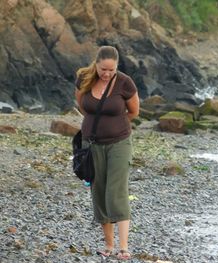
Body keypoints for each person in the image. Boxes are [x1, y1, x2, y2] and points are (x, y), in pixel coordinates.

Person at [75, 46, 139, 260]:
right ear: (96, 64)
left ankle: (124, 247)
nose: (107, 74)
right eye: (103, 69)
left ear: (116, 67)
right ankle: (109, 246)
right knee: (99, 192)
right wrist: (97, 124)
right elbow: (82, 105)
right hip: (91, 144)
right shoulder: (84, 78)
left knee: (116, 191)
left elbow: (134, 111)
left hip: (119, 143)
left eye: (111, 70)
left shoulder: (124, 82)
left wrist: (114, 125)